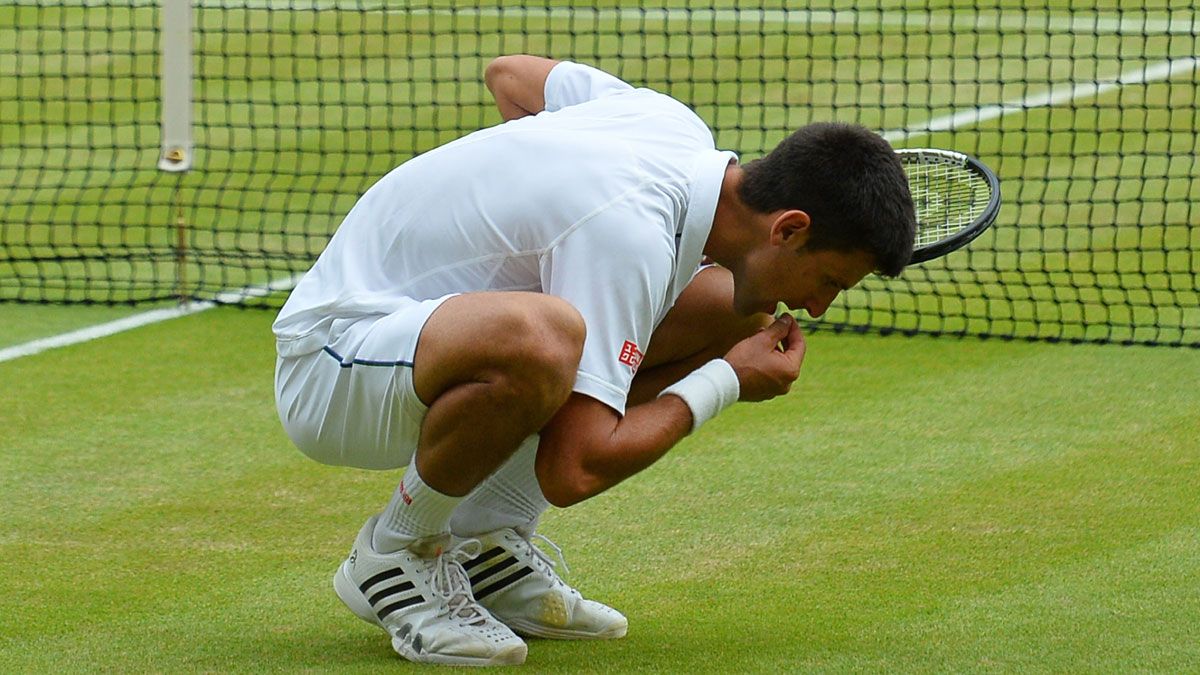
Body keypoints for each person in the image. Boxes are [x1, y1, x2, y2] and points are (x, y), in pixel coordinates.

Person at [273, 55, 915, 666]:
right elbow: (573, 470)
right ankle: (396, 550)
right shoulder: (628, 233)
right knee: (543, 337)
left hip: (425, 342)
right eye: (829, 279)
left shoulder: (670, 123)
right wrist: (726, 380)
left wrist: (525, 209)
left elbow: (513, 76)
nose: (819, 307)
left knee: (728, 308)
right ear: (789, 228)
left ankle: (483, 539)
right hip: (333, 363)